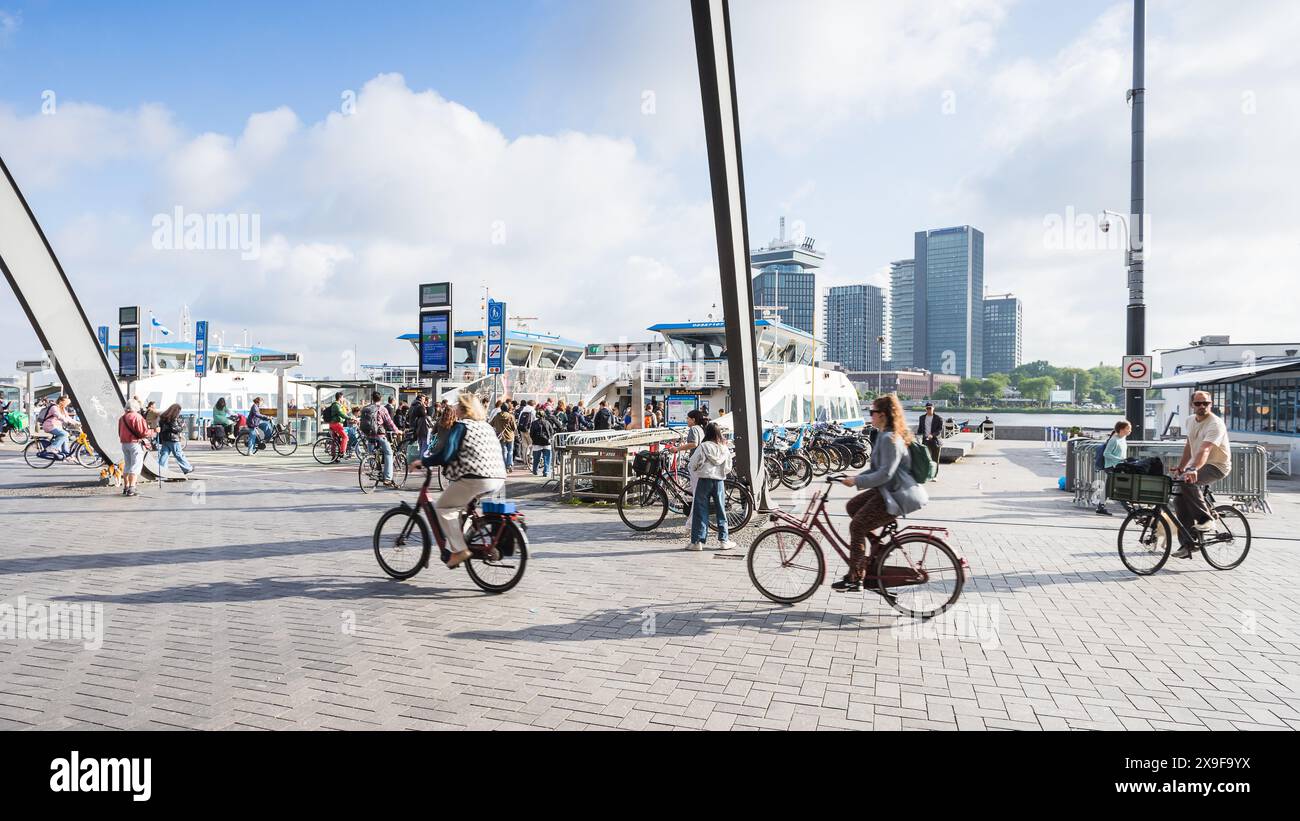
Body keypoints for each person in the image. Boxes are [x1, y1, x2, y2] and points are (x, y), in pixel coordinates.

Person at [833, 394, 929, 592]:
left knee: (857, 526)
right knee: (853, 507)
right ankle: (878, 547)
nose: (870, 416)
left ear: (883, 415)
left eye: (872, 412)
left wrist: (857, 481)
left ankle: (855, 577)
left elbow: (885, 474)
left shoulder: (889, 438)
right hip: (887, 491)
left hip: (896, 495)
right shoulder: (885, 435)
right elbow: (878, 469)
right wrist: (855, 477)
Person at [412, 393, 507, 569]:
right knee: (463, 508)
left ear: (463, 409)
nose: (454, 408)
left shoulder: (461, 426)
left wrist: (424, 461)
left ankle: (459, 550)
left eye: (457, 405)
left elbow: (447, 454)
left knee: (443, 508)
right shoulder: (485, 426)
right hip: (497, 478)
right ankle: (467, 535)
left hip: (476, 478)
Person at [1171, 390, 1232, 559]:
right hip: (1197, 465)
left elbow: (1205, 449)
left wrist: (1192, 469)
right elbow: (1189, 446)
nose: (1202, 406)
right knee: (1178, 499)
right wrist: (1182, 467)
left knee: (1188, 483)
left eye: (1206, 403)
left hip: (1217, 465)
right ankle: (1188, 544)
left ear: (1211, 404)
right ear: (1192, 405)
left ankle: (1206, 520)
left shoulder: (1215, 424)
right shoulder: (1190, 421)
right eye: (1198, 403)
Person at [686, 423, 737, 552]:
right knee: (721, 510)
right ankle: (724, 540)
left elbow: (693, 464)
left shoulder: (703, 447)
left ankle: (697, 542)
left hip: (704, 480)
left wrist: (698, 470)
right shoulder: (724, 448)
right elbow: (728, 467)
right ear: (719, 434)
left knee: (700, 510)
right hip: (719, 481)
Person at [360, 391, 401, 486]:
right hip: (379, 435)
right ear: (381, 398)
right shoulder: (382, 409)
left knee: (371, 453)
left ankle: (374, 469)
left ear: (372, 398)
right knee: (389, 453)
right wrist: (397, 431)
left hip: (369, 435)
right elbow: (389, 422)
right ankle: (387, 478)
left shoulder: (366, 408)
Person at [1093, 420, 1132, 516]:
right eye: (1128, 428)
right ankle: (1130, 510)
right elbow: (1106, 453)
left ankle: (1100, 507)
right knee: (1120, 487)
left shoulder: (1123, 438)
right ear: (1122, 429)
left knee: (1108, 488)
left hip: (1118, 466)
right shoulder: (1114, 439)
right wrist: (1120, 459)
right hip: (1111, 467)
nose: (1130, 430)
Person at [118, 399, 153, 497]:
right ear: (136, 407)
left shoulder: (122, 418)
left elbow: (119, 432)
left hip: (124, 443)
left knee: (127, 465)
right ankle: (132, 488)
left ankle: (126, 487)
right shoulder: (137, 417)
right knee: (136, 465)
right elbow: (143, 432)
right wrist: (153, 431)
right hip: (135, 443)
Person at [155, 403, 194, 479]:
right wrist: (181, 427)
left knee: (164, 455)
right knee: (178, 454)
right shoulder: (173, 418)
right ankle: (187, 468)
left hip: (165, 439)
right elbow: (175, 429)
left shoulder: (163, 417)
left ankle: (161, 471)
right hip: (173, 439)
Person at [491, 400, 517, 474]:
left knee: (504, 451)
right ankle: (509, 465)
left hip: (501, 436)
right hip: (510, 436)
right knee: (510, 451)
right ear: (507, 408)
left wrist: (498, 428)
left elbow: (491, 424)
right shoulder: (510, 416)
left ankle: (505, 466)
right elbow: (514, 427)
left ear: (501, 408)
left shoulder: (497, 416)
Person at [917, 402, 943, 472]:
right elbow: (920, 429)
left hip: (935, 441)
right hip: (925, 440)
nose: (928, 410)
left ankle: (934, 475)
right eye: (927, 408)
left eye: (930, 408)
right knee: (925, 458)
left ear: (933, 408)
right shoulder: (922, 418)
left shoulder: (938, 418)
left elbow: (939, 430)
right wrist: (915, 434)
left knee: (935, 459)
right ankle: (927, 474)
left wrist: (932, 435)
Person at [529, 409, 556, 476]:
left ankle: (535, 470)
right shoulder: (547, 422)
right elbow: (551, 431)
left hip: (537, 443)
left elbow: (531, 433)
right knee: (547, 458)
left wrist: (533, 440)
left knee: (536, 458)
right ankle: (546, 472)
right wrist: (549, 437)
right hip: (546, 442)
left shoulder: (534, 423)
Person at [323, 391, 350, 457]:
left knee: (335, 441)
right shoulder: (336, 405)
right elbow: (341, 414)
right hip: (336, 424)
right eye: (343, 397)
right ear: (340, 397)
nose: (343, 399)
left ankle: (334, 457)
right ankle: (342, 452)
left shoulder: (338, 405)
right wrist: (350, 418)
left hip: (333, 424)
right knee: (345, 437)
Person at [516, 400, 536, 464]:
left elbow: (519, 421)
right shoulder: (532, 411)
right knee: (531, 445)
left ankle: (525, 461)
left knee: (524, 446)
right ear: (533, 405)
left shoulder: (523, 411)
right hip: (529, 430)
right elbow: (534, 420)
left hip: (522, 430)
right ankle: (530, 460)